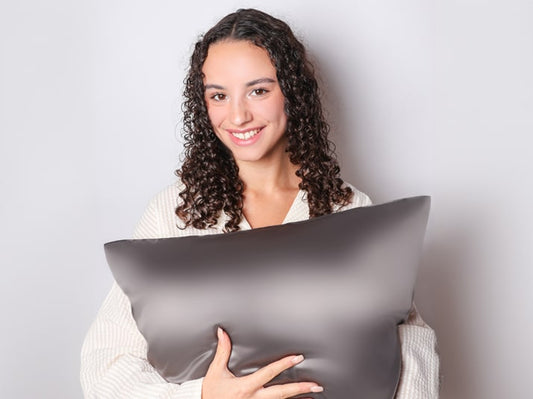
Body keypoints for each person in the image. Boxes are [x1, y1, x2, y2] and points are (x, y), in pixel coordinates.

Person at [81, 8, 439, 399]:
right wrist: (202, 395)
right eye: (219, 95)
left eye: (259, 90)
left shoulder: (347, 207)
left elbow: (408, 341)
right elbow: (105, 364)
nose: (238, 116)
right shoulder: (176, 214)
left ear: (293, 92)